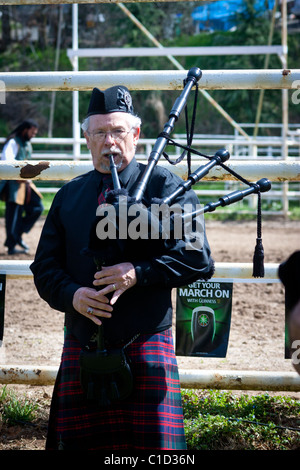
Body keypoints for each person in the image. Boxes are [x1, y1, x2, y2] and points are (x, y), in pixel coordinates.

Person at [30, 85, 214, 451]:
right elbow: (45, 268)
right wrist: (73, 295)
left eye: (117, 131)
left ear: (136, 135)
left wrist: (138, 273)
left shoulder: (165, 188)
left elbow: (198, 258)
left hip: (146, 343)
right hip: (82, 346)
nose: (109, 141)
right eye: (99, 132)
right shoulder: (71, 196)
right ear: (86, 138)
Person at [1, 119, 44, 254]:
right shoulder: (14, 142)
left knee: (38, 207)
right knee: (13, 214)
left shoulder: (26, 144)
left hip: (26, 183)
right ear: (25, 130)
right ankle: (12, 245)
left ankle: (17, 234)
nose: (33, 135)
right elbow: (6, 160)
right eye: (32, 132)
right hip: (14, 183)